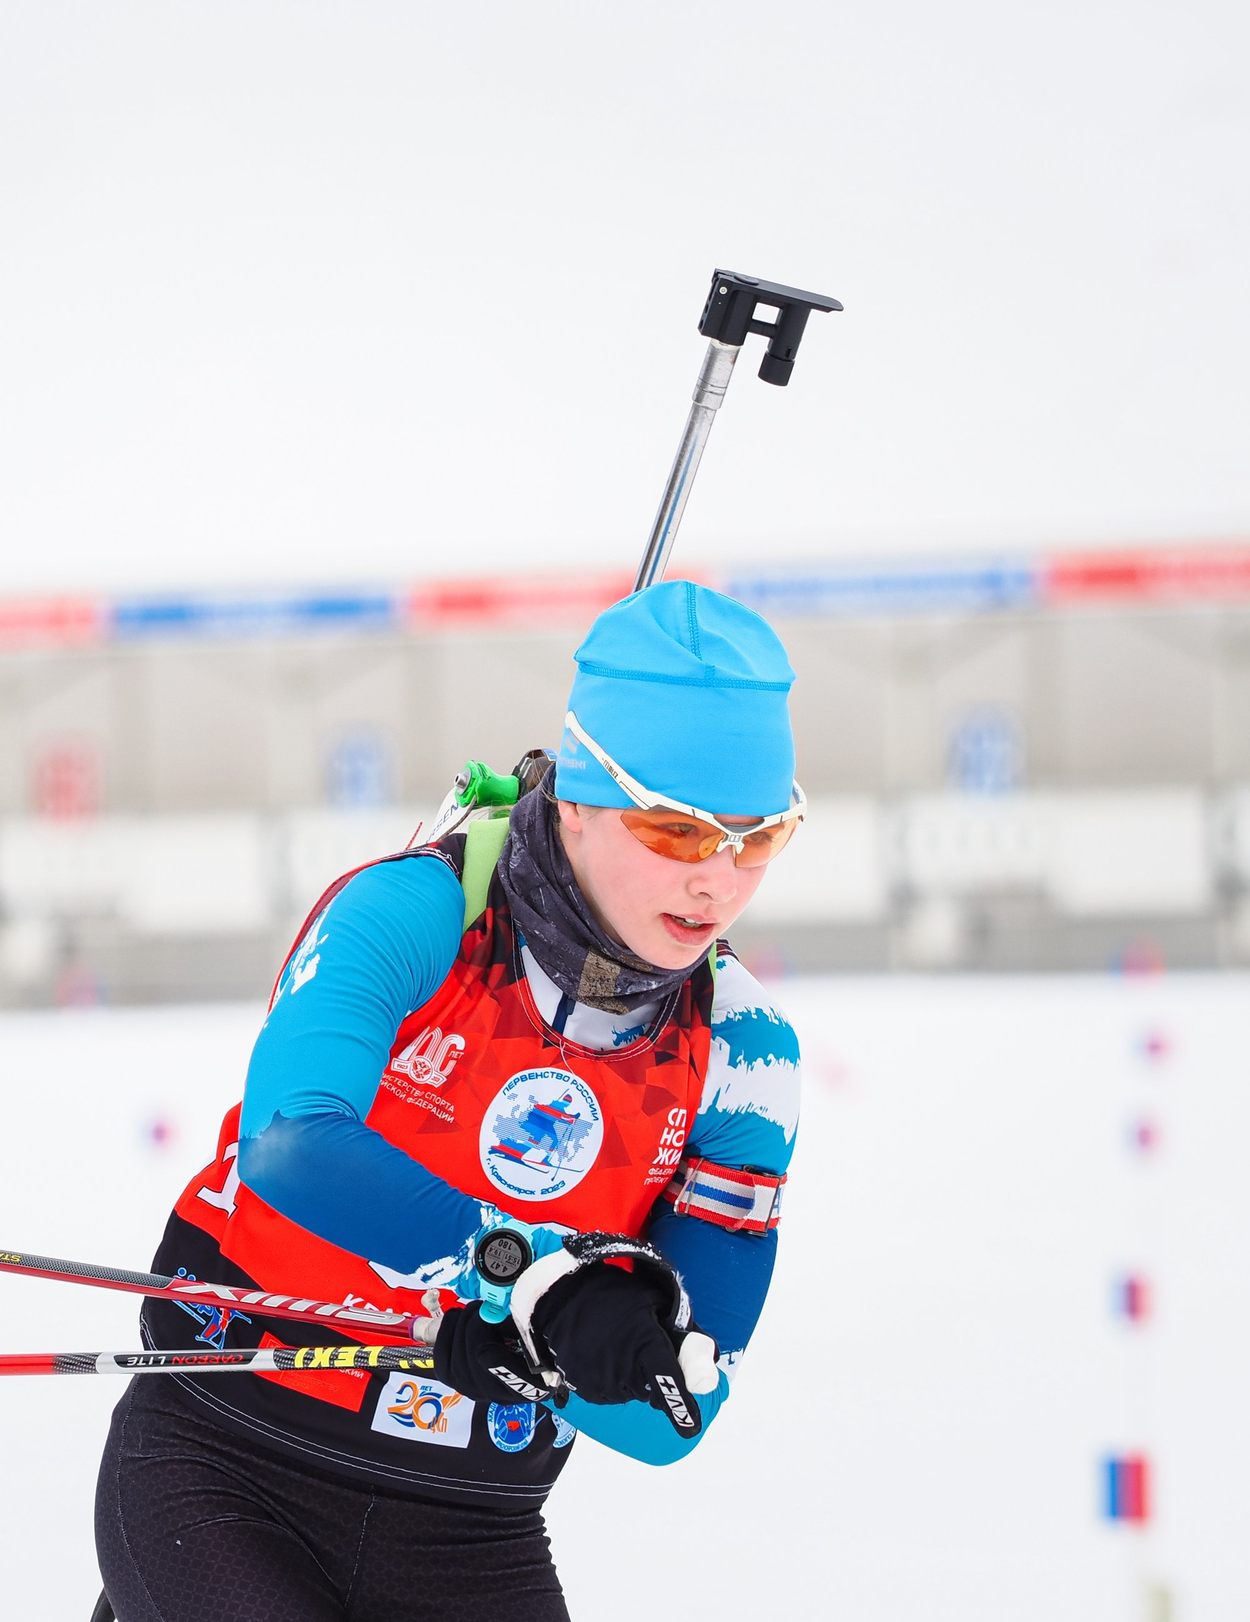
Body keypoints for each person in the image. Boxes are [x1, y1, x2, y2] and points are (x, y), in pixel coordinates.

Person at [92, 581, 805, 1622]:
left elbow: (674, 1414)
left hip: (468, 1529)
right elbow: (291, 1142)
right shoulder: (415, 911)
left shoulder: (743, 1048)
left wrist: (557, 1336)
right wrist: (517, 1275)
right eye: (679, 832)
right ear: (575, 799)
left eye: (760, 836)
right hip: (229, 1461)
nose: (719, 880)